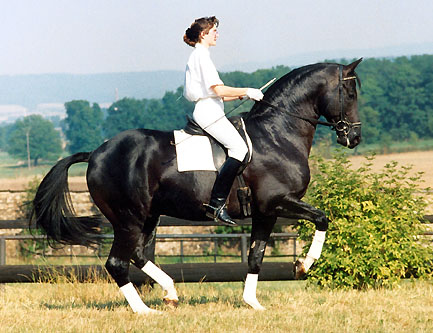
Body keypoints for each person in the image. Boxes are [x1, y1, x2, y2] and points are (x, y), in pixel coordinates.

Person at [183, 16, 264, 225]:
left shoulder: (201, 55)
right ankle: (217, 204)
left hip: (211, 108)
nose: (217, 34)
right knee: (240, 150)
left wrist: (243, 95)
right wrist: (247, 90)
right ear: (204, 34)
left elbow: (220, 95)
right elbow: (218, 90)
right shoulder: (201, 57)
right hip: (208, 113)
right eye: (214, 31)